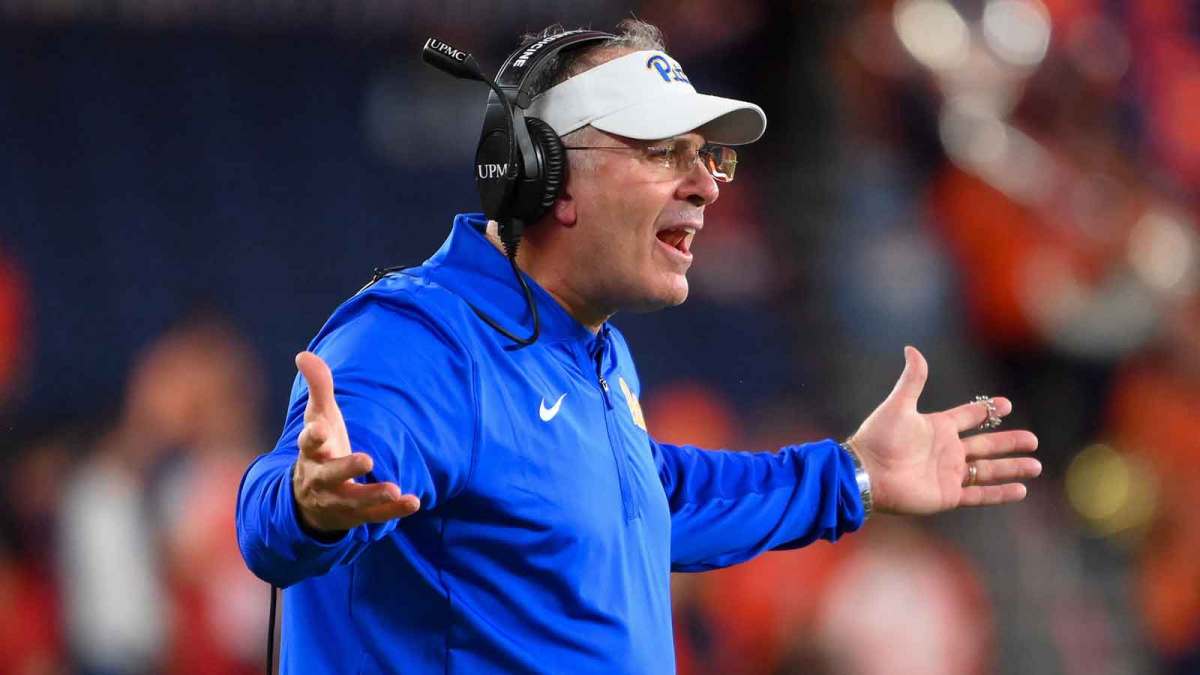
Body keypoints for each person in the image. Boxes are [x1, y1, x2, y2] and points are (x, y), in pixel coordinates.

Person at [235, 19, 1041, 674]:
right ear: (547, 174)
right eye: (663, 152)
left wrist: (855, 473)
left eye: (706, 156)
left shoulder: (593, 352)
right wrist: (310, 505)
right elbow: (277, 508)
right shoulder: (421, 340)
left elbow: (648, 505)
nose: (706, 184)